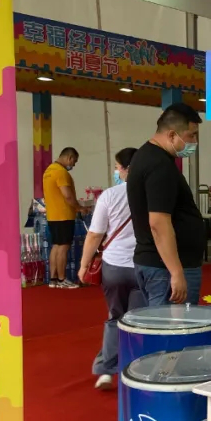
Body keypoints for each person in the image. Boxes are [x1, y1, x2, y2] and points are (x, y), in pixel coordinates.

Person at [127, 102, 206, 306]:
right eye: (191, 135)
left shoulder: (147, 156)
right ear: (172, 135)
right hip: (165, 268)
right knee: (173, 324)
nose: (195, 142)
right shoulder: (159, 165)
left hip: (160, 265)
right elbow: (159, 222)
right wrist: (176, 272)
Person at [79, 148, 143, 391]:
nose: (116, 171)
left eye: (117, 167)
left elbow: (95, 234)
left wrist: (84, 265)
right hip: (142, 265)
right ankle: (136, 370)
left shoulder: (109, 195)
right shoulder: (150, 194)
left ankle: (106, 370)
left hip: (114, 265)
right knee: (138, 321)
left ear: (125, 169)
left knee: (115, 317)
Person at [42, 146, 81, 288]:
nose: (73, 165)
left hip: (52, 216)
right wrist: (79, 208)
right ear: (69, 158)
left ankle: (53, 279)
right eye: (74, 162)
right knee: (64, 247)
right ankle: (62, 279)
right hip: (64, 215)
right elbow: (67, 195)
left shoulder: (48, 171)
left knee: (56, 246)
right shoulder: (61, 172)